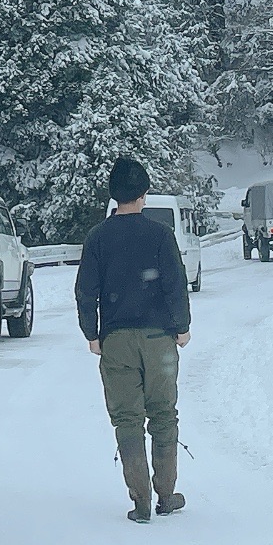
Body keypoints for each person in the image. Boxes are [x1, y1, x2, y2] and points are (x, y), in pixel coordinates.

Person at [74, 155, 191, 522]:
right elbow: (175, 284)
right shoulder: (160, 234)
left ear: (114, 195)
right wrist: (182, 326)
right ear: (143, 195)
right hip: (159, 339)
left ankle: (140, 502)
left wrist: (92, 333)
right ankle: (166, 494)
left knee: (127, 419)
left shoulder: (98, 237)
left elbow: (85, 291)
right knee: (163, 415)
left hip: (117, 341)